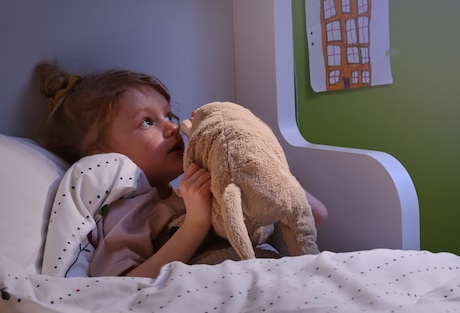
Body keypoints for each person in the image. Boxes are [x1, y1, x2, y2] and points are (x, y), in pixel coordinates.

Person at [34, 61, 328, 278]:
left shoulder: (195, 189)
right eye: (147, 121)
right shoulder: (130, 211)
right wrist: (195, 224)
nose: (173, 127)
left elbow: (314, 214)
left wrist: (259, 165)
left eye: (169, 114)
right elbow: (119, 285)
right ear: (104, 156)